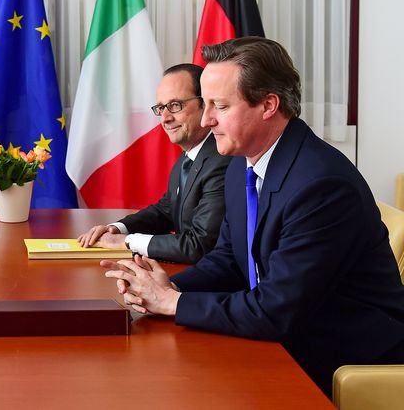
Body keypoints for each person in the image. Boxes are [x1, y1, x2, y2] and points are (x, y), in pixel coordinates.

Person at [102, 37, 404, 396]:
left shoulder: (322, 186)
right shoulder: (241, 163)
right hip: (284, 339)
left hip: (341, 359)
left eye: (220, 105)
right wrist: (172, 286)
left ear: (268, 105)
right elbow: (230, 259)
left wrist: (174, 303)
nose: (206, 118)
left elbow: (276, 310)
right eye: (206, 103)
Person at [78, 64, 231, 264]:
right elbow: (166, 211)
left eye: (176, 105)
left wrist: (126, 241)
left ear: (205, 104)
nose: (165, 118)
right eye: (161, 108)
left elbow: (199, 245)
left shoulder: (222, 160)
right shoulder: (187, 159)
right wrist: (116, 228)